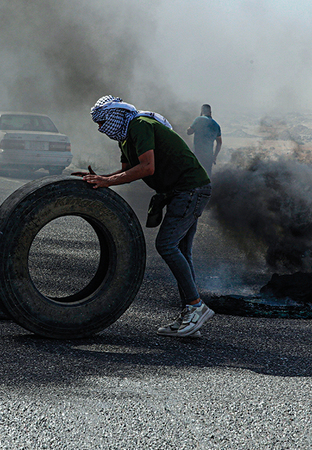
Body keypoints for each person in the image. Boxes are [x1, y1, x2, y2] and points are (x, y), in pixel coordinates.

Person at [73, 95, 214, 337]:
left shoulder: (139, 125)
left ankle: (195, 307)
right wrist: (101, 178)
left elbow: (147, 167)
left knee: (167, 245)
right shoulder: (125, 138)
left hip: (191, 189)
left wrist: (107, 180)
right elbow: (127, 171)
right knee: (181, 249)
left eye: (102, 121)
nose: (100, 128)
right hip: (185, 190)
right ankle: (192, 314)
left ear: (117, 116)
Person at [186, 104, 222, 176]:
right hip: (209, 155)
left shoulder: (199, 119)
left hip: (198, 154)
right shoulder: (216, 125)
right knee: (207, 175)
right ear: (210, 112)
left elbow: (189, 132)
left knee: (195, 174)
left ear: (202, 111)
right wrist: (214, 156)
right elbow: (219, 142)